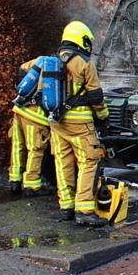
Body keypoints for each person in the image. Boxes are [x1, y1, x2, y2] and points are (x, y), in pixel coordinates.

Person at [49, 21, 111, 226]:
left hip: (57, 122)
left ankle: (66, 207)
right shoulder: (84, 62)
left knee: (63, 162)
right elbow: (95, 96)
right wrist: (103, 118)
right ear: (80, 39)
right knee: (89, 162)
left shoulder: (52, 60)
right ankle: (84, 209)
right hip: (80, 124)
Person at [9, 59, 55, 198]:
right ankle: (32, 185)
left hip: (20, 109)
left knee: (18, 146)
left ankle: (15, 180)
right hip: (36, 117)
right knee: (36, 149)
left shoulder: (42, 60)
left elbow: (21, 70)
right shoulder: (60, 67)